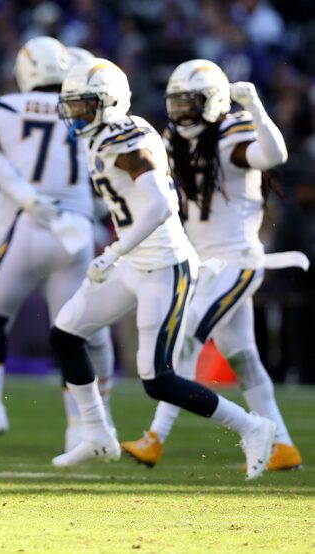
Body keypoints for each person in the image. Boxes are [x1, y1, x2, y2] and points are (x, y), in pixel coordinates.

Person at [49, 58, 276, 480]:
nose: (76, 115)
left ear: (109, 103)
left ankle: (254, 427)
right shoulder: (102, 135)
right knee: (65, 334)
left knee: (158, 379)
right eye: (72, 106)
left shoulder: (126, 139)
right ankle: (98, 435)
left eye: (84, 106)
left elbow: (160, 205)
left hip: (165, 266)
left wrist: (112, 252)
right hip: (134, 260)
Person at [121, 59, 303, 471]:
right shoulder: (176, 139)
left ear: (214, 102)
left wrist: (255, 106)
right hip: (207, 263)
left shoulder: (231, 131)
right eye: (177, 102)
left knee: (184, 339)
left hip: (237, 262)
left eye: (191, 102)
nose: (182, 111)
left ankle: (155, 439)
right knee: (243, 358)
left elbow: (274, 153)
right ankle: (284, 447)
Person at [0, 38, 114, 453]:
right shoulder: (88, 110)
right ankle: (82, 428)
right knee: (75, 336)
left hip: (19, 230)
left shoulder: (8, 108)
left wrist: (5, 169)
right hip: (75, 233)